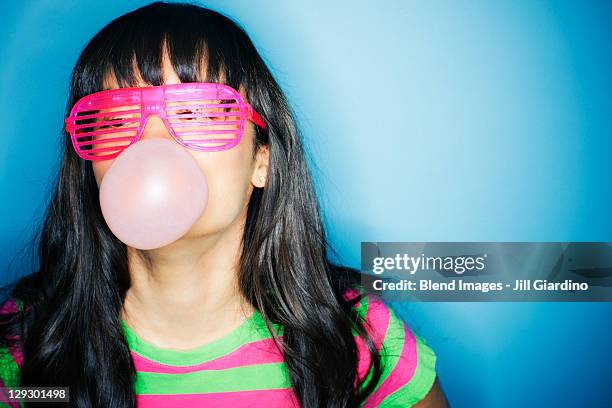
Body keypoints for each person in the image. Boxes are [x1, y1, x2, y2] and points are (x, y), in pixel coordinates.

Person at [0, 2, 448, 407]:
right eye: (115, 119)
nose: (152, 143)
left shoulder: (358, 341)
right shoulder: (27, 352)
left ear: (262, 161)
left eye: (197, 113)